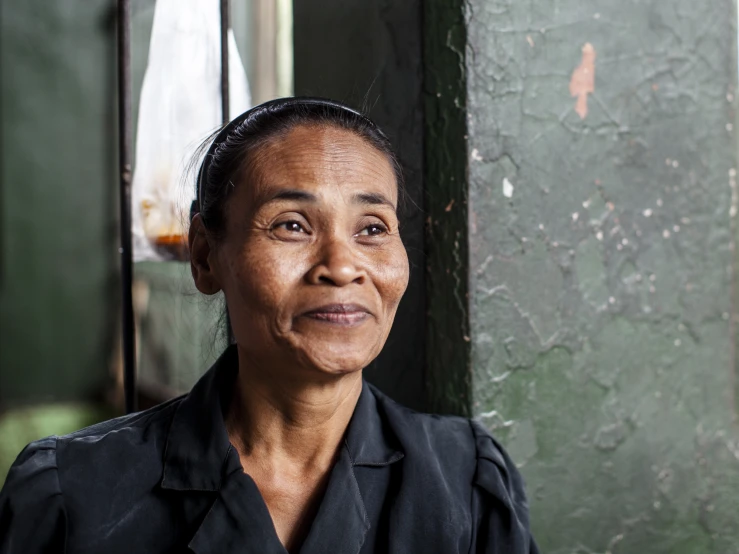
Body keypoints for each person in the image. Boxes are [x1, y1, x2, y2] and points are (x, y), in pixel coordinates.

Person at [0, 98, 539, 554]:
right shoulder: (72, 494)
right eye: (292, 225)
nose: (343, 265)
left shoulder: (464, 480)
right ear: (207, 256)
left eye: (372, 228)